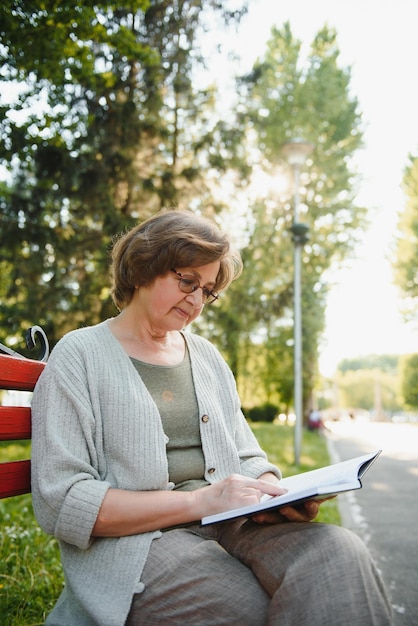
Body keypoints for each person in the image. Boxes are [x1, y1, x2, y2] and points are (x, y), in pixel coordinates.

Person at [31, 209, 393, 626]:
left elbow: (247, 454)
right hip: (140, 544)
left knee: (337, 556)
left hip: (232, 523)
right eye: (187, 281)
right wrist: (199, 501)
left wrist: (276, 493)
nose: (197, 300)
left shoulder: (206, 356)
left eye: (207, 291)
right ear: (144, 265)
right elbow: (63, 502)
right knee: (249, 607)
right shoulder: (79, 355)